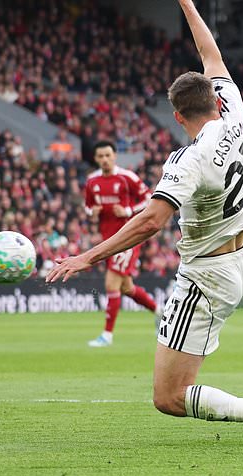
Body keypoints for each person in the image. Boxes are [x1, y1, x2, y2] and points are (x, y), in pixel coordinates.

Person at [47, 0, 243, 445]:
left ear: (177, 116)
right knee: (174, 383)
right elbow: (210, 55)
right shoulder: (235, 110)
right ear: (215, 99)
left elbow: (151, 221)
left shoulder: (188, 160)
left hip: (208, 276)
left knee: (168, 396)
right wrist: (189, 5)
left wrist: (87, 256)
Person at [83, 140, 159, 347]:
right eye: (100, 156)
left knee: (111, 283)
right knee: (126, 287)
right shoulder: (92, 181)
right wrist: (92, 212)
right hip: (107, 240)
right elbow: (88, 206)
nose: (105, 160)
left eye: (108, 155)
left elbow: (149, 199)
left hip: (128, 237)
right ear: (96, 159)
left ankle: (107, 335)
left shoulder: (127, 178)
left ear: (115, 156)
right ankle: (160, 312)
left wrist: (127, 211)